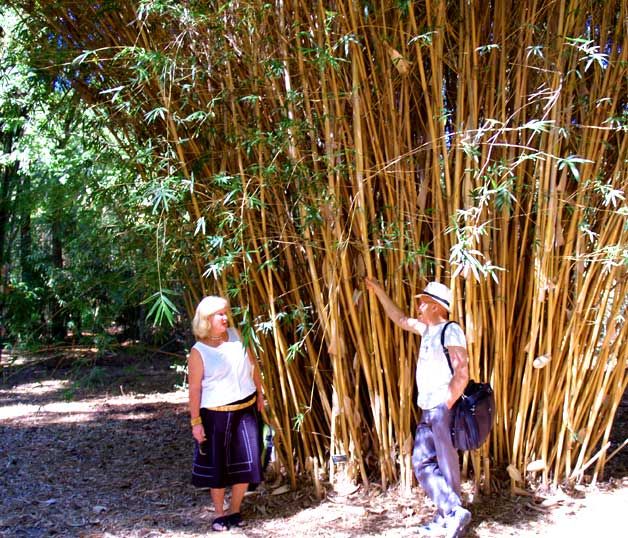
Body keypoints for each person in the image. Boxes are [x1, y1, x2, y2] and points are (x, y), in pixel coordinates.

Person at [365, 278, 471, 538]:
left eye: (422, 302)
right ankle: (452, 511)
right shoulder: (427, 331)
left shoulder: (451, 330)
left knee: (446, 462)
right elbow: (399, 318)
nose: (418, 307)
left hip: (442, 406)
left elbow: (462, 371)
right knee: (422, 461)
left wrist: (446, 403)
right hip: (429, 408)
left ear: (436, 306)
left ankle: (450, 515)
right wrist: (379, 291)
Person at [188, 295, 265, 532]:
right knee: (219, 467)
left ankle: (235, 510)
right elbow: (195, 389)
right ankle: (219, 514)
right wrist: (196, 422)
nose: (225, 317)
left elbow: (253, 365)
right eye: (219, 314)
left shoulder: (236, 335)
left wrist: (260, 393)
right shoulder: (198, 351)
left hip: (246, 409)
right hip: (216, 415)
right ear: (206, 320)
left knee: (246, 464)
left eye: (225, 312)